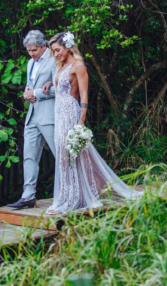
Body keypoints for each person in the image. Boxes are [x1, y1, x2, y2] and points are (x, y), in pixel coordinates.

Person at [42, 32, 143, 214]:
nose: (55, 54)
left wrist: (81, 120)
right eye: (54, 51)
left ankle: (81, 196)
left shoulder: (78, 65)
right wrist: (50, 82)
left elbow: (83, 94)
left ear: (67, 47)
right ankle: (67, 196)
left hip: (70, 112)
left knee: (72, 153)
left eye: (57, 50)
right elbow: (61, 83)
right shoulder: (61, 65)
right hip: (59, 113)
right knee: (63, 153)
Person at [7, 30, 56, 209]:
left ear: (44, 46)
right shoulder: (29, 63)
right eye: (29, 51)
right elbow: (30, 85)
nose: (31, 54)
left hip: (49, 116)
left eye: (34, 50)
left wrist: (35, 94)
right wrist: (27, 94)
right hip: (32, 116)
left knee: (60, 155)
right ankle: (28, 196)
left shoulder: (54, 60)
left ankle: (64, 195)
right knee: (29, 156)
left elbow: (61, 87)